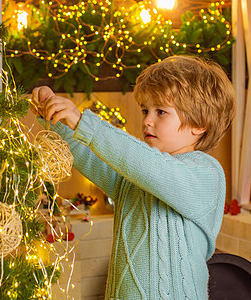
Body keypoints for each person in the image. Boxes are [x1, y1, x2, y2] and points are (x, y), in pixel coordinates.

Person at [30, 55, 235, 299]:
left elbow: (153, 167)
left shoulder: (205, 172)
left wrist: (84, 122)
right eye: (145, 110)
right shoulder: (134, 175)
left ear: (199, 124)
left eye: (160, 112)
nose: (147, 120)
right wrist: (56, 119)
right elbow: (90, 156)